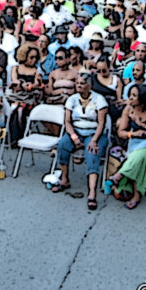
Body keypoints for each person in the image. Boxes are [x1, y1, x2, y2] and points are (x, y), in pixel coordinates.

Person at [104, 84, 146, 210]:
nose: (130, 98)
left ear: (143, 98)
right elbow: (120, 132)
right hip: (136, 143)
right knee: (142, 156)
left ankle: (119, 176)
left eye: (134, 96)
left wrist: (142, 125)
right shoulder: (128, 109)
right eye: (130, 95)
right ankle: (136, 195)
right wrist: (132, 134)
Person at [51, 74, 109, 209]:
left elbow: (101, 123)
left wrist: (94, 140)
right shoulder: (72, 99)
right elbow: (67, 121)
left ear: (89, 85)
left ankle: (92, 192)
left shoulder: (99, 100)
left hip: (94, 133)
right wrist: (73, 137)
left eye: (82, 83)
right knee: (63, 145)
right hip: (76, 130)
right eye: (77, 83)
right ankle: (64, 179)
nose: (79, 86)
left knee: (92, 153)